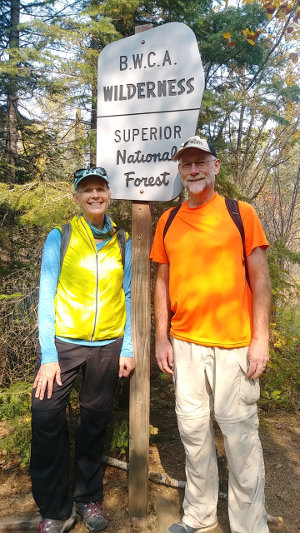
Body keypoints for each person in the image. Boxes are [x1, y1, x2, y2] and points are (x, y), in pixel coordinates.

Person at [150, 136, 271, 533]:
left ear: (216, 166)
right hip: (184, 344)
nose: (194, 170)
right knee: (193, 432)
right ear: (180, 171)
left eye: (201, 162)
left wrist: (261, 339)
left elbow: (260, 278)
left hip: (235, 345)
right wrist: (162, 338)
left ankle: (249, 527)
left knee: (240, 439)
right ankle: (198, 517)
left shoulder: (241, 214)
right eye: (187, 165)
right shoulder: (168, 221)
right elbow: (162, 283)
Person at [30, 167, 135, 533]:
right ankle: (55, 510)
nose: (94, 195)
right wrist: (48, 356)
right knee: (45, 416)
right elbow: (46, 297)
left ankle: (88, 498)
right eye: (86, 189)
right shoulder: (61, 236)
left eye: (100, 189)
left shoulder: (123, 241)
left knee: (94, 423)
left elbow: (130, 295)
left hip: (109, 346)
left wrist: (130, 346)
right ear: (77, 196)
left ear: (109, 194)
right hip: (65, 344)